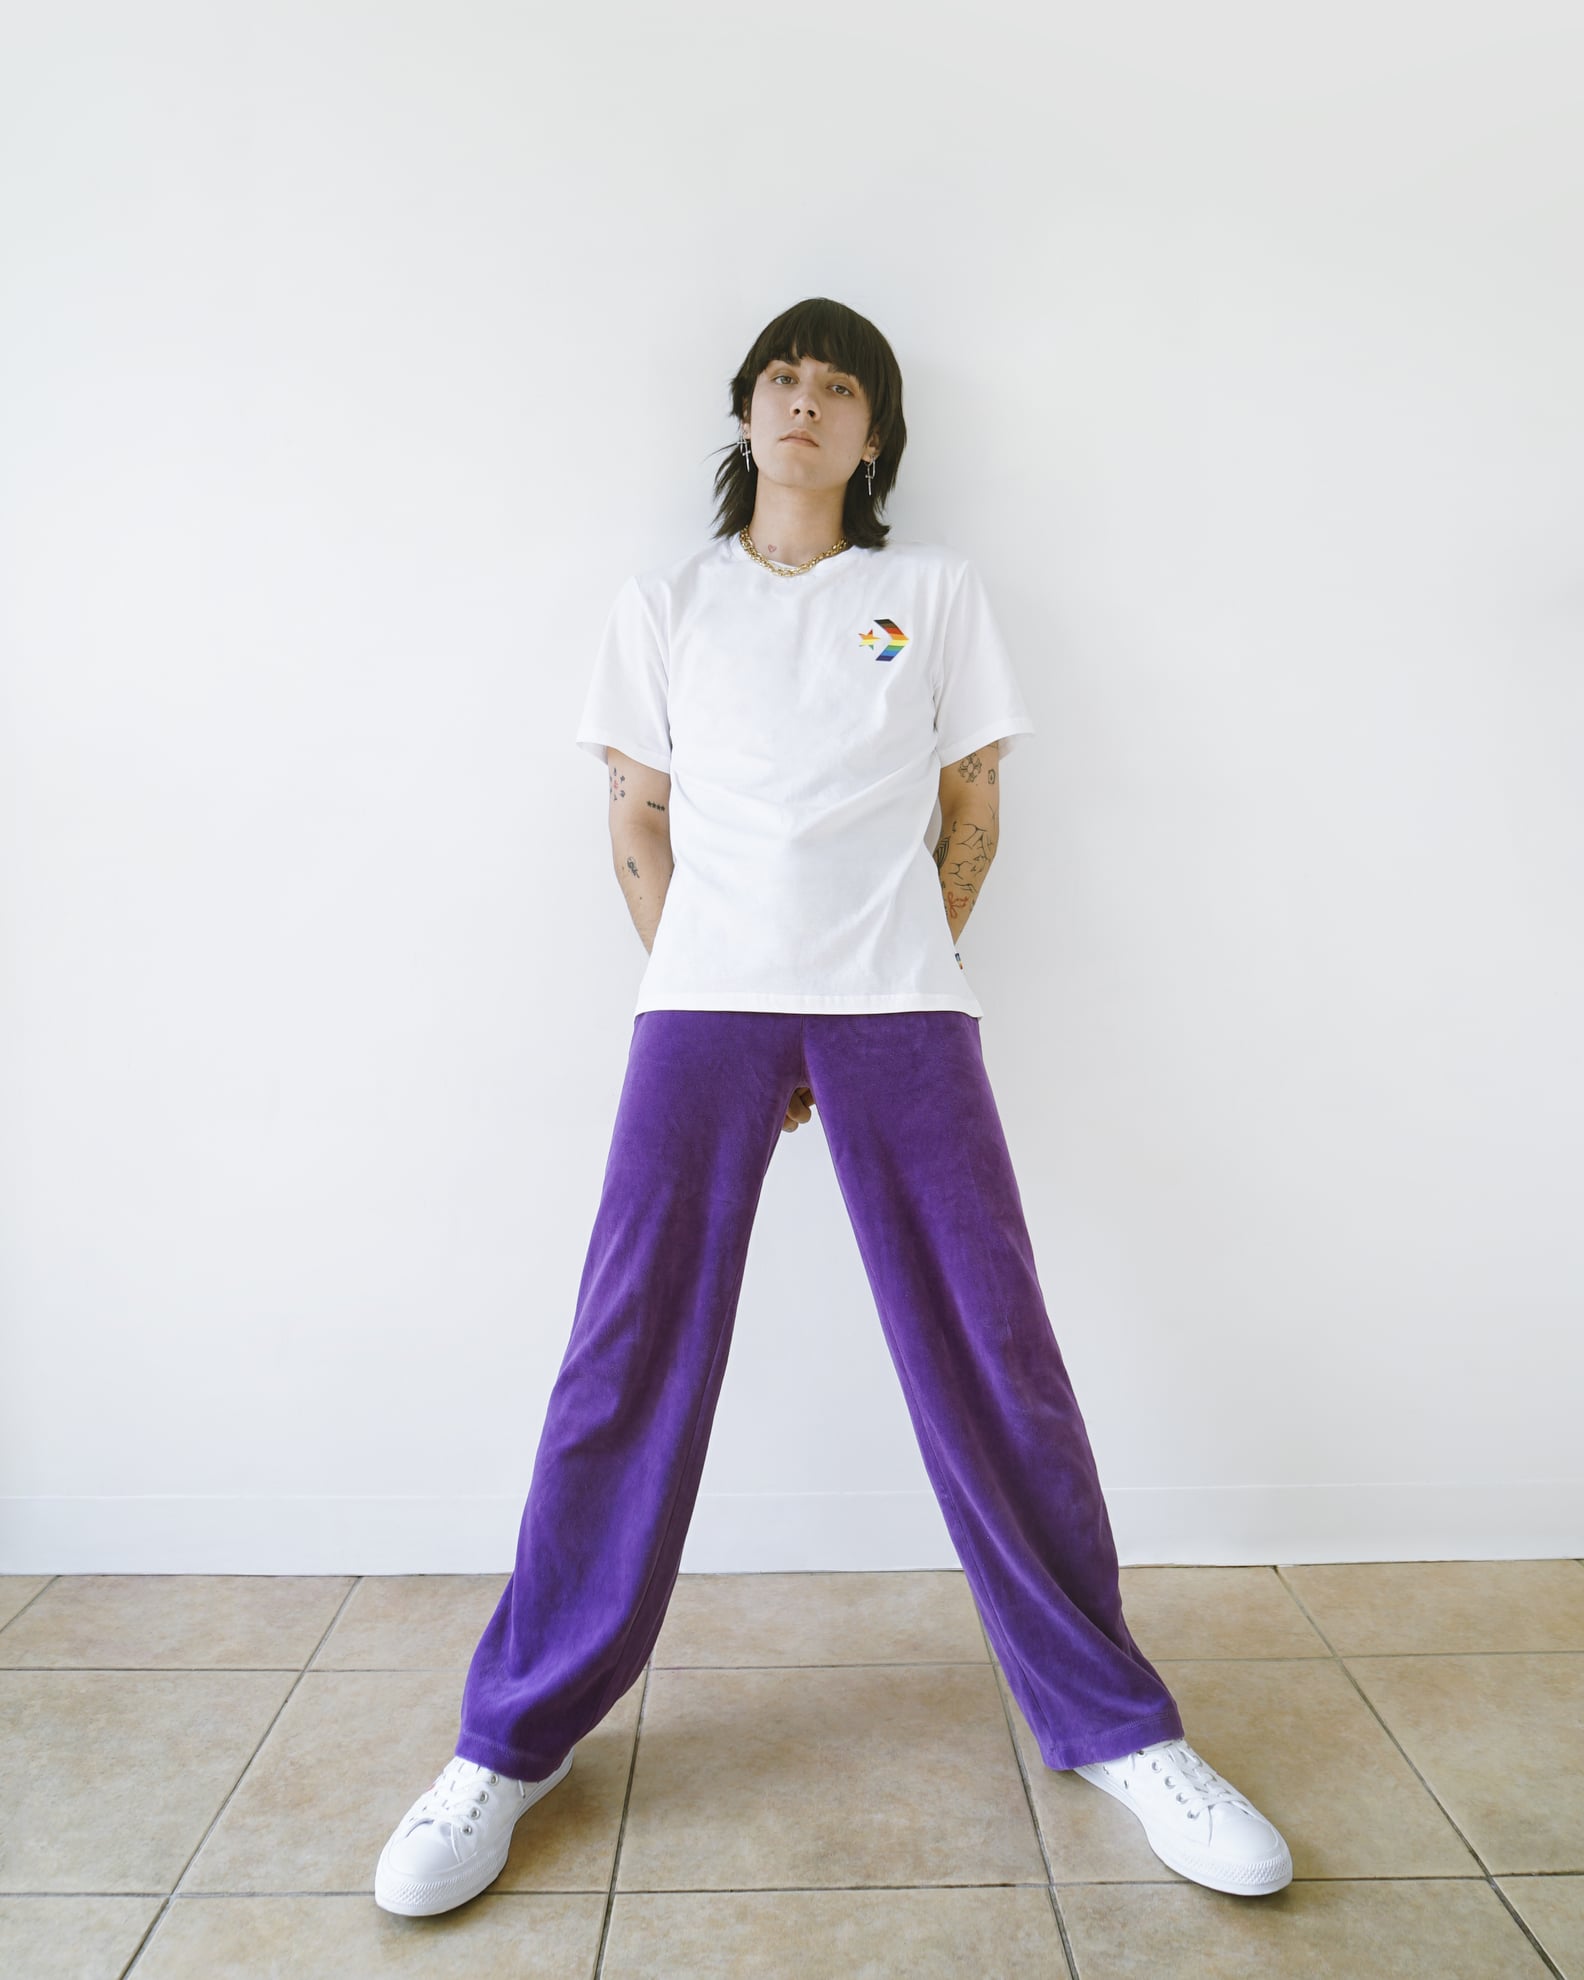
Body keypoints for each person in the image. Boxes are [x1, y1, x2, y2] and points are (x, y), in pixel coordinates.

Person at [374, 298, 1293, 1916]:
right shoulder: (666, 606)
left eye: (840, 388)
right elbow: (637, 821)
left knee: (996, 1352)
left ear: (876, 438)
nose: (806, 403)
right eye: (783, 380)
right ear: (746, 413)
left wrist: (901, 957)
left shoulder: (929, 595)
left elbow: (971, 806)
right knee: (622, 1356)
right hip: (702, 1007)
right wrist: (716, 981)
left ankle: (1117, 1723)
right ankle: (508, 1741)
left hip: (901, 1005)